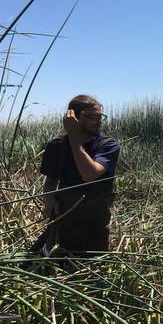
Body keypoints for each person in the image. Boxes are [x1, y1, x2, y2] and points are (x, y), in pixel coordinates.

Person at [35, 94, 120, 255]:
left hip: (95, 223)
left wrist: (74, 138)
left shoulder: (108, 145)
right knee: (43, 262)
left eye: (100, 116)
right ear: (73, 117)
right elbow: (51, 182)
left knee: (92, 269)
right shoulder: (56, 146)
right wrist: (49, 198)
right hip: (64, 219)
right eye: (92, 117)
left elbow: (89, 174)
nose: (98, 121)